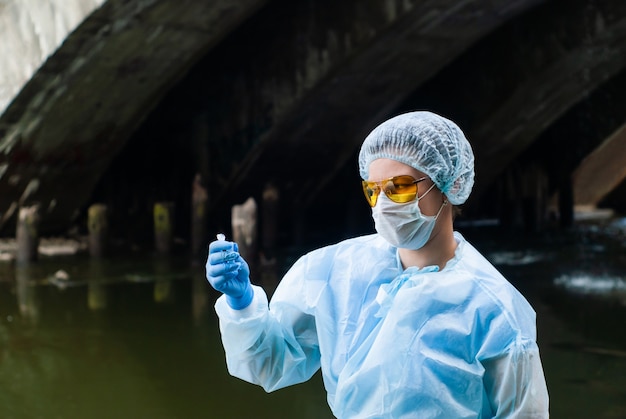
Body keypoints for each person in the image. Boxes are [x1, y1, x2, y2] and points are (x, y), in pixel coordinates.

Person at [206, 111, 550, 418]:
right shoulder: (334, 272)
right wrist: (242, 303)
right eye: (374, 190)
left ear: (448, 186)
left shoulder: (494, 309)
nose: (383, 204)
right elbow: (272, 363)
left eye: (399, 188)